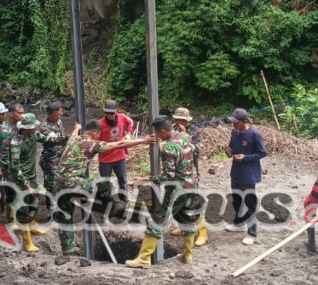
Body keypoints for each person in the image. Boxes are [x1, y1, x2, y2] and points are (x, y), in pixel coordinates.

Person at [54, 120, 154, 259]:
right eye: (99, 134)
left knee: (64, 218)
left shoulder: (73, 139)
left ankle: (66, 254)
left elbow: (74, 133)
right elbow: (119, 144)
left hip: (58, 184)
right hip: (73, 183)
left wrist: (77, 127)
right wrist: (143, 140)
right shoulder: (91, 143)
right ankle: (111, 207)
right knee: (103, 183)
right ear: (95, 133)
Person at [126, 116, 199, 268]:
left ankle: (144, 259)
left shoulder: (169, 148)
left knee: (156, 221)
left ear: (163, 131)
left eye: (158, 134)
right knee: (188, 220)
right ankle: (187, 255)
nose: (158, 136)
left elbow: (167, 176)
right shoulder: (185, 136)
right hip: (192, 186)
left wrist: (144, 178)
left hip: (177, 190)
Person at [11, 113, 74, 252]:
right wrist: (26, 185)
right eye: (33, 127)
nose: (35, 129)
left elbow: (48, 140)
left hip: (32, 176)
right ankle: (27, 243)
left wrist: (66, 138)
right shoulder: (16, 143)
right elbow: (15, 167)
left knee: (34, 201)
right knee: (23, 209)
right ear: (26, 128)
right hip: (21, 180)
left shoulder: (33, 136)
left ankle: (33, 228)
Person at [224, 108, 267, 245]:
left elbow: (262, 153)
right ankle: (239, 223)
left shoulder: (254, 134)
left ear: (243, 122)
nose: (234, 124)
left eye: (236, 122)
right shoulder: (234, 132)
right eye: (233, 122)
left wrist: (246, 157)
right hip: (236, 172)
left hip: (248, 175)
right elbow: (231, 146)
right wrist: (229, 151)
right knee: (236, 200)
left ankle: (252, 234)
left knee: (249, 203)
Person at [169, 107, 208, 246]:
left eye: (182, 120)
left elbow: (197, 150)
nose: (179, 122)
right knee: (179, 200)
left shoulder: (195, 131)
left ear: (187, 121)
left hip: (191, 172)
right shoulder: (172, 129)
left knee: (194, 202)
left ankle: (202, 233)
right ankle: (183, 227)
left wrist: (186, 137)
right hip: (177, 171)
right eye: (177, 119)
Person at [97, 100, 134, 201]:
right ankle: (107, 202)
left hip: (119, 157)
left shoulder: (122, 117)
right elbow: (93, 138)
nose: (109, 115)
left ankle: (124, 199)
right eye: (106, 113)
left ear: (116, 111)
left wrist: (129, 134)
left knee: (122, 180)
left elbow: (130, 122)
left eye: (111, 113)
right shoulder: (100, 124)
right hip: (105, 159)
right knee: (105, 183)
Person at [0, 103, 25, 228]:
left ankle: (17, 217)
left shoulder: (18, 128)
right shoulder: (5, 131)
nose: (22, 115)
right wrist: (7, 172)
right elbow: (3, 155)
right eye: (19, 113)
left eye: (22, 112)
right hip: (9, 167)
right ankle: (10, 220)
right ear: (11, 114)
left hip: (17, 165)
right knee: (11, 192)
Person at [38, 102, 70, 194]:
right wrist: (71, 135)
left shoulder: (58, 121)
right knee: (51, 185)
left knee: (62, 182)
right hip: (50, 160)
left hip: (60, 157)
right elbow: (57, 139)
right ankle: (50, 205)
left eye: (60, 114)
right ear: (49, 114)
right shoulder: (44, 127)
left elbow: (62, 138)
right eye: (56, 115)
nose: (59, 116)